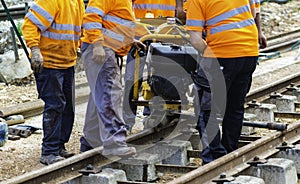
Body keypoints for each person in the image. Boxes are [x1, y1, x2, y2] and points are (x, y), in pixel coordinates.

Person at [187, 0, 259, 164]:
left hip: (223, 54)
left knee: (205, 109)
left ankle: (215, 157)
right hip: (249, 52)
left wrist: (210, 54)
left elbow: (196, 40)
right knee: (234, 107)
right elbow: (253, 15)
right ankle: (229, 152)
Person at [22, 0, 85, 165]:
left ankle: (58, 146)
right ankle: (49, 151)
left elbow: (79, 30)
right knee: (55, 105)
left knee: (67, 107)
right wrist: (34, 49)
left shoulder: (77, 2)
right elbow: (30, 24)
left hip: (67, 63)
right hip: (49, 64)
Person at [79, 0, 143, 157]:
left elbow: (111, 23)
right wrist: (98, 45)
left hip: (106, 47)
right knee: (110, 93)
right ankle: (114, 142)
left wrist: (128, 41)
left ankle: (91, 141)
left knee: (99, 96)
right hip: (102, 49)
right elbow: (91, 17)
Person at [123, 0, 186, 134]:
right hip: (140, 34)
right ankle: (127, 122)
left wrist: (180, 9)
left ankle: (152, 116)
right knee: (131, 79)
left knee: (159, 78)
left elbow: (181, 10)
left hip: (165, 33)